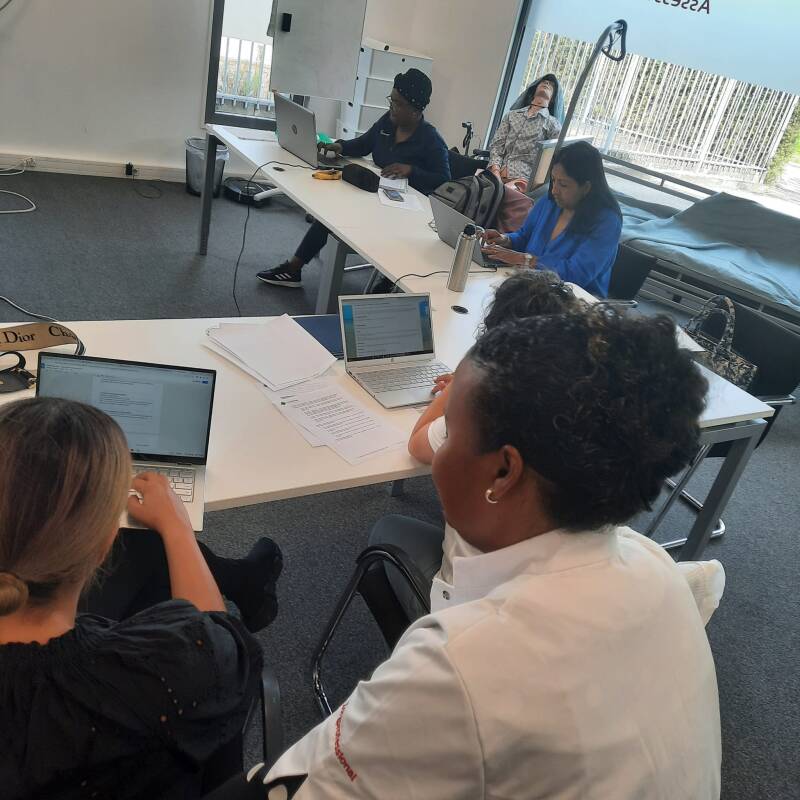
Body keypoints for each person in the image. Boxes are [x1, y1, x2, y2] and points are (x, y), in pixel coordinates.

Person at [260, 308, 721, 798]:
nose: (440, 456)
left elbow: (291, 789)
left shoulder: (458, 664)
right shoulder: (658, 569)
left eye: (450, 432)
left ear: (503, 472)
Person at [0, 397, 278, 799]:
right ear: (104, 547)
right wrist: (176, 527)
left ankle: (247, 580)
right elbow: (218, 638)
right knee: (158, 557)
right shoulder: (148, 677)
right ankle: (249, 584)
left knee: (148, 559)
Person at [257, 68, 450, 288]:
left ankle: (389, 283)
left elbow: (444, 180)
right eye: (391, 100)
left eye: (398, 104)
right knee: (330, 213)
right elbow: (364, 144)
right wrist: (341, 146)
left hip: (402, 214)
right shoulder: (388, 122)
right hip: (374, 196)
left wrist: (411, 170)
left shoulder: (431, 140)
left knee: (338, 215)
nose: (391, 107)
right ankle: (293, 269)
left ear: (415, 111)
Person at [482, 140, 623, 296]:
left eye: (563, 184)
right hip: (532, 286)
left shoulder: (607, 221)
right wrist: (506, 240)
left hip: (574, 300)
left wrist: (526, 260)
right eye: (554, 180)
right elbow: (524, 237)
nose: (554, 190)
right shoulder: (550, 202)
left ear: (586, 187)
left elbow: (577, 275)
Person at [487, 73, 563, 192]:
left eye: (551, 85)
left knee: (501, 193)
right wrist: (495, 172)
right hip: (496, 175)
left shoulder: (553, 124)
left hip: (523, 182)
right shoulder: (511, 116)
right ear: (533, 91)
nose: (547, 83)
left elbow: (554, 161)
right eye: (544, 82)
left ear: (553, 98)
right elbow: (497, 146)